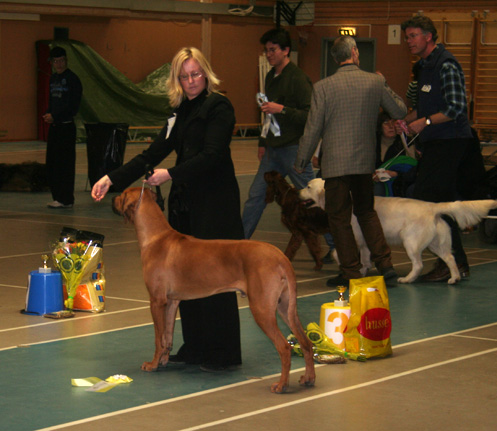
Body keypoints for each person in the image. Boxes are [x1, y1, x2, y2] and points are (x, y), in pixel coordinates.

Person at [91, 47, 243, 372]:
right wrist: (110, 179)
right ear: (177, 80)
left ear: (206, 73)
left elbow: (213, 155)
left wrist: (170, 174)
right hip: (185, 205)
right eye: (184, 76)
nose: (191, 81)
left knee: (217, 278)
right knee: (186, 278)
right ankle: (196, 347)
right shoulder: (179, 113)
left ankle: (224, 352)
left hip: (215, 205)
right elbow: (151, 154)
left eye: (196, 74)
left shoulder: (219, 106)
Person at [294, 35, 407, 287]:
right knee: (367, 213)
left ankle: (351, 272)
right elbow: (400, 110)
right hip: (364, 164)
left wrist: (301, 160)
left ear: (335, 59)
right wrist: (384, 83)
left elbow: (312, 129)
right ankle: (386, 266)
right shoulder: (375, 81)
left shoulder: (322, 87)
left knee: (339, 219)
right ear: (355, 53)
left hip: (334, 167)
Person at [401, 15, 476, 282]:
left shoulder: (446, 65)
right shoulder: (423, 67)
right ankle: (455, 263)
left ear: (428, 36)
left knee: (428, 198)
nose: (408, 41)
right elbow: (424, 108)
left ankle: (451, 262)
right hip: (434, 142)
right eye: (407, 36)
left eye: (413, 36)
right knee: (436, 203)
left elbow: (456, 108)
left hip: (451, 141)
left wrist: (427, 121)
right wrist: (406, 120)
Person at [241, 28, 315, 239]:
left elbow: (310, 115)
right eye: (266, 50)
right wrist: (262, 142)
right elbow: (267, 115)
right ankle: (240, 240)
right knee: (255, 196)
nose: (269, 54)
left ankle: (337, 245)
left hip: (294, 151)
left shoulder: (299, 79)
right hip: (273, 152)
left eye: (273, 50)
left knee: (313, 199)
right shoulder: (270, 76)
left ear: (286, 51)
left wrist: (281, 109)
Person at [43, 46, 82, 209]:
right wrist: (48, 114)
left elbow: (72, 106)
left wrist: (56, 116)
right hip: (55, 127)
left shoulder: (73, 79)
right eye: (55, 61)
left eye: (61, 60)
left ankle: (66, 198)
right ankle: (57, 196)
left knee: (65, 164)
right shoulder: (53, 79)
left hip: (66, 127)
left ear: (66, 61)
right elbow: (53, 101)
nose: (58, 64)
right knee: (53, 163)